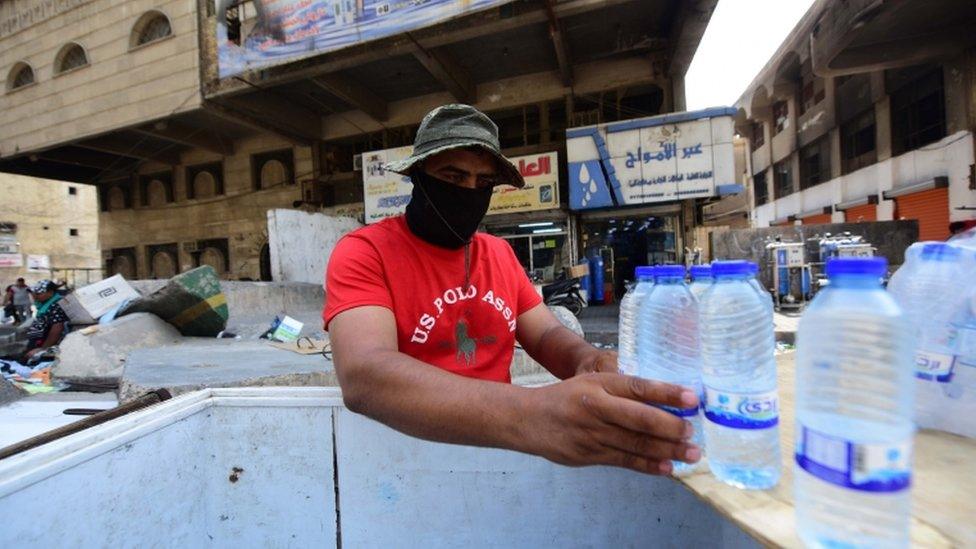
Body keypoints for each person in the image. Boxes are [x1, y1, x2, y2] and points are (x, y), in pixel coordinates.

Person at [324, 104, 701, 476]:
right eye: (453, 177)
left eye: (483, 182)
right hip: (409, 458)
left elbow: (547, 332)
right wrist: (532, 414)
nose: (469, 191)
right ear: (419, 175)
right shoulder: (365, 251)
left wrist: (587, 360)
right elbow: (365, 374)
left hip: (499, 453)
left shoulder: (498, 253)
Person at [24, 279, 69, 359]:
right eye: (34, 293)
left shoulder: (56, 305)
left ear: (50, 292)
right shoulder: (45, 303)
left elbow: (57, 328)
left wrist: (43, 349)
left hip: (44, 348)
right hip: (37, 344)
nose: (35, 296)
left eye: (39, 293)